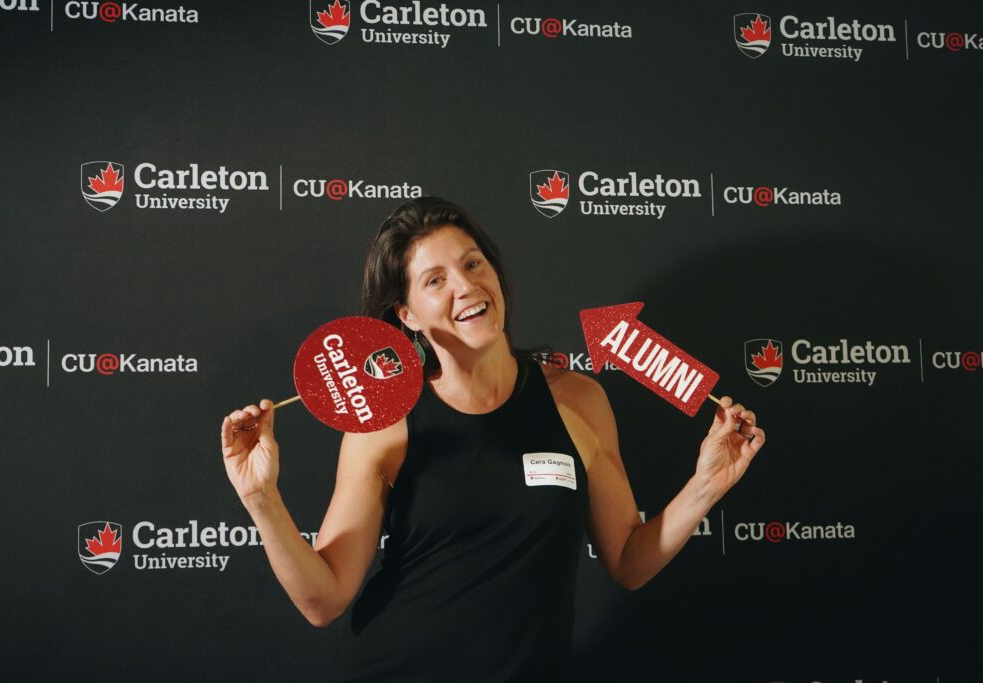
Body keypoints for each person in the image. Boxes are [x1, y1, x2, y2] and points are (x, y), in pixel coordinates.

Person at [221, 197, 765, 682]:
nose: (466, 286)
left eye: (472, 263)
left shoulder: (577, 400)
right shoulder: (387, 422)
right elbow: (325, 600)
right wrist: (260, 498)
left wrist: (706, 485)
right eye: (435, 280)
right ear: (407, 315)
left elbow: (626, 560)